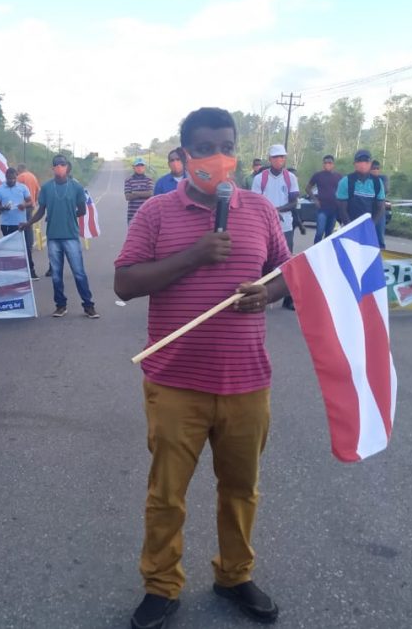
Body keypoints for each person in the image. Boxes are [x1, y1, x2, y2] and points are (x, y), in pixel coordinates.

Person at [115, 107, 290, 629]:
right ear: (185, 153)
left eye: (227, 144)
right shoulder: (155, 213)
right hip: (174, 383)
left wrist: (267, 293)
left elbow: (285, 272)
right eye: (206, 146)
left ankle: (234, 575)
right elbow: (125, 284)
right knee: (167, 494)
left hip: (246, 382)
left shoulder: (260, 210)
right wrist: (194, 255)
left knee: (241, 489)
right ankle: (161, 585)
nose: (219, 156)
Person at [21, 155, 99, 318]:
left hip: (70, 236)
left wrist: (69, 215)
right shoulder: (47, 188)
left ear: (67, 167)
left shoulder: (77, 188)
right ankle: (61, 305)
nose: (59, 167)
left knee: (79, 272)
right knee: (56, 274)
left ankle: (88, 305)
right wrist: (27, 223)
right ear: (53, 169)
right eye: (56, 165)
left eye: (62, 165)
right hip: (53, 237)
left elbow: (82, 210)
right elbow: (41, 210)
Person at [252, 144, 299, 309]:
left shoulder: (290, 178)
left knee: (288, 263)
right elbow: (256, 203)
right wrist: (271, 213)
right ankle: (259, 295)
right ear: (270, 159)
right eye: (277, 157)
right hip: (264, 226)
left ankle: (288, 299)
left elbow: (294, 202)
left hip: (285, 225)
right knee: (263, 261)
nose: (280, 160)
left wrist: (277, 210)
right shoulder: (260, 179)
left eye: (282, 157)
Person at [336, 150, 386, 238]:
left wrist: (370, 225)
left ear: (370, 164)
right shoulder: (345, 181)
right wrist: (351, 228)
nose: (363, 164)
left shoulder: (377, 183)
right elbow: (342, 209)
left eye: (366, 161)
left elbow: (380, 207)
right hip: (348, 226)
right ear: (354, 164)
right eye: (360, 161)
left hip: (368, 227)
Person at [0, 167, 33, 251]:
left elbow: (30, 202)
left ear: (16, 177)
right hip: (7, 224)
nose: (11, 180)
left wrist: (24, 205)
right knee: (10, 249)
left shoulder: (23, 187)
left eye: (13, 178)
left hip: (21, 224)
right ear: (6, 177)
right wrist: (3, 208)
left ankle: (29, 264)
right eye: (9, 178)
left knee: (24, 248)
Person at [306, 154, 341, 243]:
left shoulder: (338, 176)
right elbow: (308, 188)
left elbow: (343, 191)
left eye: (330, 162)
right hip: (322, 208)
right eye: (325, 163)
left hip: (334, 209)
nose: (327, 164)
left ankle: (326, 254)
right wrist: (315, 199)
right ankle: (315, 252)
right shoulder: (318, 175)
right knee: (319, 232)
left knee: (329, 234)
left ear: (333, 164)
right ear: (323, 164)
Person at [14, 163, 41, 279]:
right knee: (29, 225)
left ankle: (24, 245)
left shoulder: (21, 177)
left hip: (23, 205)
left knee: (22, 225)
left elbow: (16, 190)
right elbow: (38, 190)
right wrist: (35, 201)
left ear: (19, 170)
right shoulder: (33, 176)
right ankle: (29, 243)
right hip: (31, 204)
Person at [124, 157, 154, 224]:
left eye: (141, 166)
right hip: (132, 215)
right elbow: (128, 197)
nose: (140, 168)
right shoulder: (128, 180)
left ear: (144, 167)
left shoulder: (148, 179)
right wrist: (143, 194)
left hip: (146, 214)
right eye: (137, 166)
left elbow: (150, 193)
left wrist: (135, 193)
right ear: (133, 167)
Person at [370, 160, 389, 249]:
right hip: (367, 210)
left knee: (379, 235)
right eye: (373, 168)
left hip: (379, 210)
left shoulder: (383, 178)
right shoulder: (365, 178)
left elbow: (385, 190)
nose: (375, 170)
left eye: (377, 168)